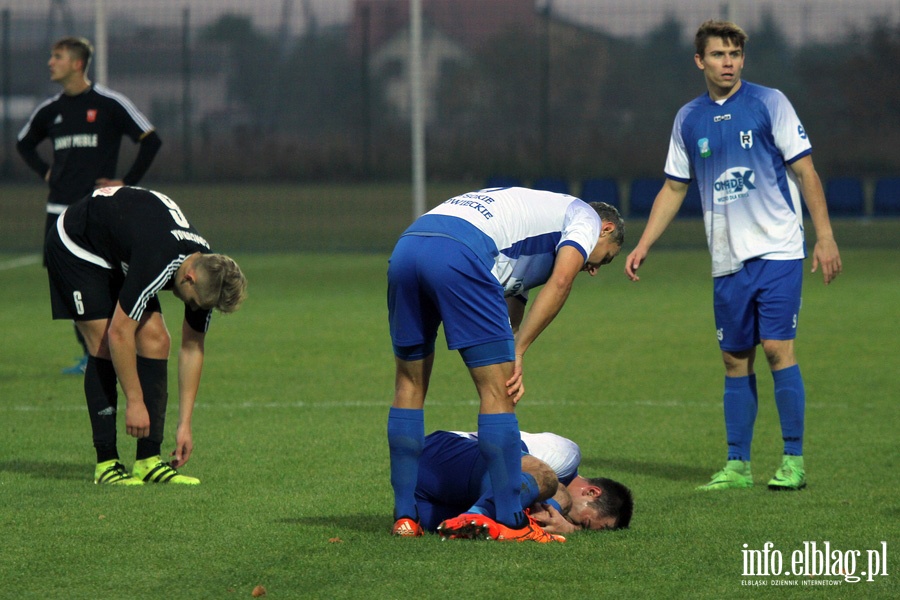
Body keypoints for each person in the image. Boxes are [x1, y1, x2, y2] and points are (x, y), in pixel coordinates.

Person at [624, 20, 842, 492]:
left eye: (736, 54)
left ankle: (793, 460)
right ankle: (738, 465)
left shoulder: (770, 102)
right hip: (726, 260)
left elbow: (805, 172)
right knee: (732, 358)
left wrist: (823, 236)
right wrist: (643, 243)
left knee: (776, 348)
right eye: (720, 55)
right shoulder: (688, 118)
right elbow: (673, 187)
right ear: (700, 61)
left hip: (778, 248)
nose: (729, 63)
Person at [387, 186, 625, 540]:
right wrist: (520, 351)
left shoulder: (531, 234)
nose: (595, 269)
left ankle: (405, 517)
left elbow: (512, 303)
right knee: (499, 392)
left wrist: (511, 344)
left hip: (408, 246)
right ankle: (513, 520)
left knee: (409, 384)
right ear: (605, 229)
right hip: (460, 252)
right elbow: (561, 282)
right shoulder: (585, 217)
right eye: (605, 259)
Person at [44, 185, 247, 485]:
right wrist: (135, 402)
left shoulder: (207, 271)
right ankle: (107, 463)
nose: (192, 307)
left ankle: (148, 460)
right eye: (193, 302)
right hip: (78, 245)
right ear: (188, 278)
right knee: (102, 344)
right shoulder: (159, 258)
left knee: (156, 340)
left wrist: (185, 425)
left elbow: (192, 347)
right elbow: (119, 334)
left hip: (121, 248)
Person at [17, 36, 163, 375]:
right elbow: (23, 144)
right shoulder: (50, 110)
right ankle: (90, 354)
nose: (51, 62)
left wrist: (126, 181)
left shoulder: (109, 103)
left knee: (108, 279)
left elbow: (150, 140)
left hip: (97, 211)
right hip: (58, 212)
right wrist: (45, 171)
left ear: (77, 63)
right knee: (68, 284)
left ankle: (120, 343)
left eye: (58, 57)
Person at [415, 430, 633, 540]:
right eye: (582, 523)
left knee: (451, 528)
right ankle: (483, 514)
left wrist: (570, 529)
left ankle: (409, 519)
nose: (567, 522)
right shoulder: (567, 454)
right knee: (557, 491)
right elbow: (506, 454)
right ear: (592, 492)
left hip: (425, 496)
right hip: (447, 456)